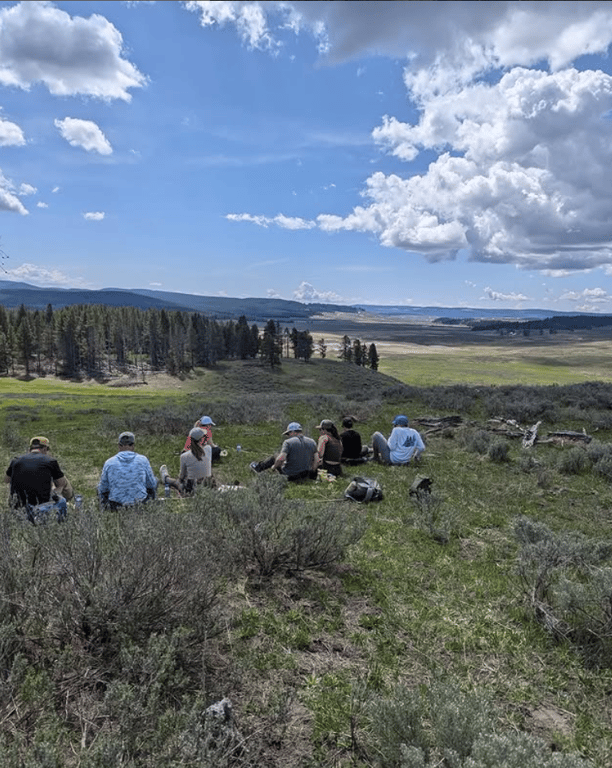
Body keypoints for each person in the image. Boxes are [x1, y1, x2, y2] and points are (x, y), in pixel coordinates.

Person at [5, 435, 73, 508]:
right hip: (42, 506)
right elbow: (61, 484)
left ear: (29, 449)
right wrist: (54, 494)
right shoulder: (50, 461)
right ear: (45, 449)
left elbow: (6, 480)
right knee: (63, 481)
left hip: (18, 506)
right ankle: (68, 503)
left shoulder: (15, 460)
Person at [98, 431, 158, 510]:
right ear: (133, 446)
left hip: (115, 506)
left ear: (119, 446)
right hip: (139, 505)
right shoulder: (143, 460)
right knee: (155, 481)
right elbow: (152, 484)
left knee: (99, 488)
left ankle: (104, 511)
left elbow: (103, 488)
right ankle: (150, 509)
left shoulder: (109, 463)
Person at [250, 422, 319, 482]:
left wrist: (274, 467)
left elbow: (281, 459)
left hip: (291, 476)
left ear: (292, 432)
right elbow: (316, 460)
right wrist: (312, 471)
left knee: (276, 456)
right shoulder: (312, 442)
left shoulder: (288, 442)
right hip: (305, 475)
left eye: (288, 434)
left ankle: (259, 468)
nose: (288, 436)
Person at [160, 427, 213, 495]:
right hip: (207, 485)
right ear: (202, 439)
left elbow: (182, 477)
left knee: (176, 482)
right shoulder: (208, 449)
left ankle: (165, 478)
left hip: (190, 489)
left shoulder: (184, 456)